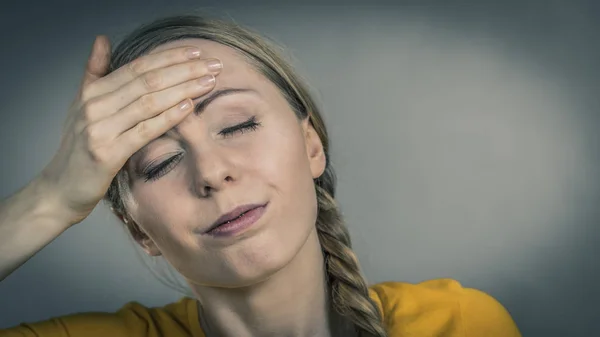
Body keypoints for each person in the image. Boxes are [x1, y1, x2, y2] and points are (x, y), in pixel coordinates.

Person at [0, 14, 521, 337]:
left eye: (239, 124)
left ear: (311, 145)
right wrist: (50, 199)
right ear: (139, 231)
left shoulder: (459, 325)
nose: (213, 172)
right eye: (160, 162)